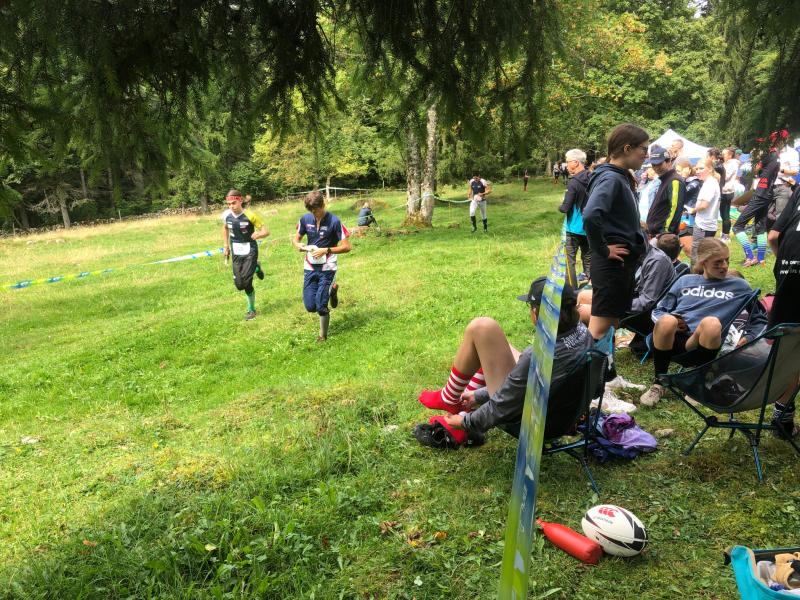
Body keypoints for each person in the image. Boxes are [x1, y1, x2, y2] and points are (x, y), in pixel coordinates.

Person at [415, 277, 592, 442]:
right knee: (493, 342)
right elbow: (527, 385)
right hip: (563, 415)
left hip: (535, 423)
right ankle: (457, 399)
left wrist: (464, 421)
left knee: (482, 328)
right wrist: (478, 395)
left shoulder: (538, 356)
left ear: (536, 313)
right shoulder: (583, 333)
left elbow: (503, 406)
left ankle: (449, 398)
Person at [639, 238, 757, 406]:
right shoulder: (685, 281)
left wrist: (751, 335)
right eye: (718, 262)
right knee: (666, 320)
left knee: (711, 322)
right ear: (703, 262)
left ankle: (699, 384)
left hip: (706, 341)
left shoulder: (739, 286)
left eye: (727, 261)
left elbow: (758, 317)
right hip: (675, 341)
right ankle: (659, 383)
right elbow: (659, 310)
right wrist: (675, 322)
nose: (724, 266)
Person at [582, 123, 649, 342]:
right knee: (599, 330)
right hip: (612, 265)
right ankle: (592, 377)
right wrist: (601, 249)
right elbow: (591, 215)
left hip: (619, 266)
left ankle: (608, 377)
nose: (646, 155)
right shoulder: (611, 178)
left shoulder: (617, 176)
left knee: (610, 326)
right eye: (643, 149)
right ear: (627, 148)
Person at [291, 191, 351, 342]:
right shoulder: (305, 219)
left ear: (323, 205)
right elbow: (296, 239)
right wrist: (299, 245)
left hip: (327, 267)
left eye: (316, 210)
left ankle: (322, 336)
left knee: (320, 305)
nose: (314, 214)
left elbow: (347, 247)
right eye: (311, 211)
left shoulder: (335, 221)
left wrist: (326, 249)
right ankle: (333, 290)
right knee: (310, 306)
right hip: (310, 266)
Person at [767, 185, 800, 438]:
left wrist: (783, 269)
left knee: (791, 351)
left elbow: (773, 236)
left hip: (789, 274)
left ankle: (783, 419)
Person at [221, 189, 269, 320]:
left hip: (250, 251)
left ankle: (251, 310)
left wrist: (258, 234)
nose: (231, 206)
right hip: (236, 252)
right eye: (229, 204)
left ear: (240, 200)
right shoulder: (226, 215)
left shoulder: (250, 215)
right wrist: (226, 246)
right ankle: (257, 267)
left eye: (234, 203)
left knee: (247, 283)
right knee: (239, 285)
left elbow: (266, 231)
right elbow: (225, 228)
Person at [732, 147, 781, 267]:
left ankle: (750, 256)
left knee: (738, 227)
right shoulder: (776, 158)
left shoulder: (767, 157)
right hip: (767, 194)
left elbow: (754, 171)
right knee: (760, 227)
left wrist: (755, 161)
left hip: (760, 195)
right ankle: (760, 259)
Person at [558, 149, 592, 287]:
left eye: (567, 162)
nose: (566, 165)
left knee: (569, 261)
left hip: (574, 229)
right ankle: (590, 289)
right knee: (589, 259)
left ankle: (571, 293)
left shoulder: (573, 182)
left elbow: (565, 207)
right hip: (590, 227)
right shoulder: (593, 178)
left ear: (576, 162)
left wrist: (560, 206)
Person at [645, 145, 686, 238]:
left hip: (662, 236)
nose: (656, 167)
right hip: (656, 234)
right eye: (653, 165)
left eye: (659, 164)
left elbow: (675, 209)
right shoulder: (665, 179)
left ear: (668, 161)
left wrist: (665, 233)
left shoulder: (674, 181)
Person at [687, 156, 721, 263]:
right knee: (704, 255)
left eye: (701, 168)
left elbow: (704, 205)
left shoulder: (710, 183)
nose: (697, 171)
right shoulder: (710, 182)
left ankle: (696, 277)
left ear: (710, 169)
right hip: (707, 225)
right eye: (696, 169)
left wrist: (692, 210)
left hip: (703, 226)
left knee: (697, 256)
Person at [774, 139, 799, 221]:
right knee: (763, 211)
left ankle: (779, 233)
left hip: (783, 186)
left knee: (780, 216)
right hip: (770, 185)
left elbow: (795, 172)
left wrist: (780, 170)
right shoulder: (773, 151)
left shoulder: (792, 153)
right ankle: (758, 232)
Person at [720, 146, 740, 242]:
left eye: (723, 154)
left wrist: (717, 171)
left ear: (730, 155)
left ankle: (726, 236)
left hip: (727, 191)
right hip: (723, 191)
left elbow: (726, 176)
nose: (721, 155)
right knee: (723, 214)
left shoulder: (732, 164)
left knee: (725, 215)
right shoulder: (726, 163)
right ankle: (724, 233)